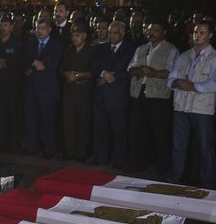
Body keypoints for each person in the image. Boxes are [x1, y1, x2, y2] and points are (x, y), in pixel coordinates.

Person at [167, 20, 216, 188]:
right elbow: (171, 79)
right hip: (182, 107)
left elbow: (215, 84)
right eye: (195, 33)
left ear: (210, 35)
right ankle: (175, 179)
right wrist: (177, 82)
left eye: (202, 33)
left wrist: (193, 86)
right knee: (179, 146)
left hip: (202, 109)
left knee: (205, 148)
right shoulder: (184, 56)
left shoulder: (215, 58)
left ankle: (207, 184)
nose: (197, 36)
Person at [126, 20, 178, 176]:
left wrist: (153, 73)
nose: (151, 32)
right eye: (149, 29)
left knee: (160, 131)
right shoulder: (142, 48)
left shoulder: (171, 49)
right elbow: (130, 69)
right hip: (139, 92)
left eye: (156, 29)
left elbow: (172, 72)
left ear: (163, 32)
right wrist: (140, 70)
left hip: (158, 95)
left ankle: (162, 165)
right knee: (136, 129)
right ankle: (137, 162)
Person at [89, 21, 136, 169]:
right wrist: (104, 73)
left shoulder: (130, 49)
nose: (111, 35)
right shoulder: (102, 48)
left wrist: (111, 77)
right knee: (100, 127)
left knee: (119, 129)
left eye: (115, 32)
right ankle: (100, 156)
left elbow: (130, 70)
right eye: (110, 32)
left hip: (118, 95)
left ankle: (119, 159)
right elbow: (94, 66)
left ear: (122, 33)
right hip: (101, 94)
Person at [23, 18, 63, 158]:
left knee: (47, 120)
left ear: (49, 30)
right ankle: (32, 147)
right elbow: (26, 61)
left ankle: (49, 149)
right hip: (32, 89)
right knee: (31, 120)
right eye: (37, 28)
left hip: (48, 90)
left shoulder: (56, 45)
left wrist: (35, 65)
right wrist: (35, 63)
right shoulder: (31, 44)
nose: (39, 31)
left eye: (43, 28)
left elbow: (50, 64)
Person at [59, 21, 96, 162]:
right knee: (69, 121)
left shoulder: (91, 50)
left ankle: (81, 152)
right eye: (73, 35)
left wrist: (79, 75)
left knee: (83, 121)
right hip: (69, 89)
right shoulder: (68, 50)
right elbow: (61, 68)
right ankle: (69, 151)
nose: (74, 38)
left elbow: (94, 71)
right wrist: (66, 74)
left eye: (77, 35)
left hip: (83, 88)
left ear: (84, 36)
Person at [0, 13, 23, 153]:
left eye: (6, 25)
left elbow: (19, 63)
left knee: (12, 115)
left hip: (11, 85)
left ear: (11, 26)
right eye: (1, 25)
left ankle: (13, 145)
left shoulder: (17, 44)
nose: (3, 27)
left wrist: (5, 63)